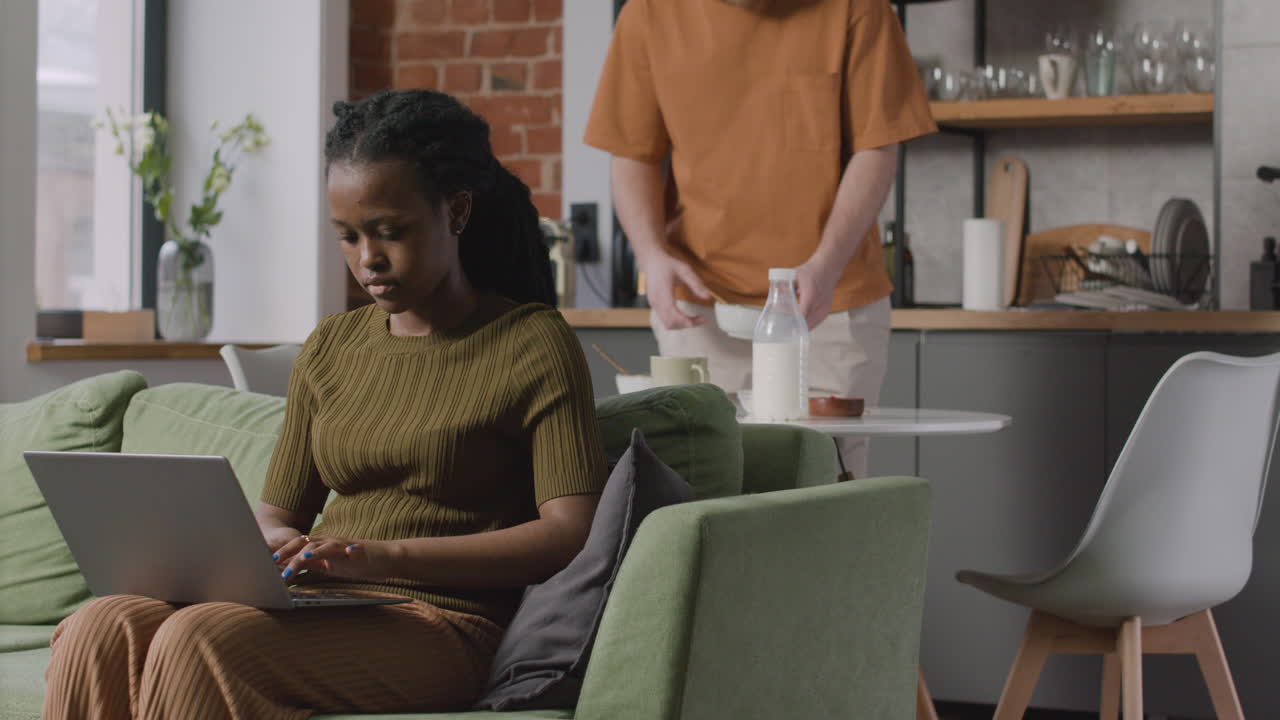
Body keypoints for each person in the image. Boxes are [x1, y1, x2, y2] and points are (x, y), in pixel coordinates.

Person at [42, 89, 609, 719]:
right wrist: (279, 546)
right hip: (327, 604)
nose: (368, 259)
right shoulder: (332, 347)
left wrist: (378, 555)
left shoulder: (532, 342)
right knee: (102, 622)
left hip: (448, 621)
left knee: (199, 639)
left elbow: (570, 533)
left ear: (456, 211)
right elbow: (274, 514)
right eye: (348, 236)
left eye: (391, 232)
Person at [585, 0, 937, 477]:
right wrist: (652, 255)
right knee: (710, 486)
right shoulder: (650, 13)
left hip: (830, 306)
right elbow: (632, 154)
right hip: (700, 311)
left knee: (827, 486)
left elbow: (877, 146)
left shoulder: (861, 8)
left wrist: (827, 263)